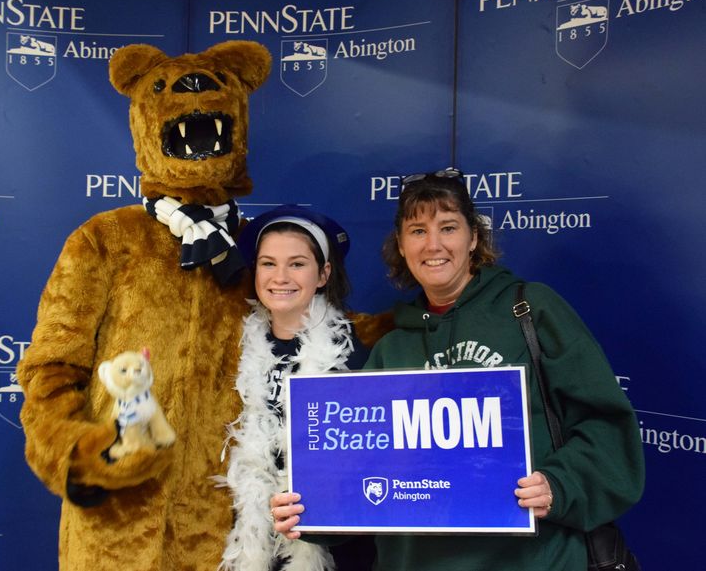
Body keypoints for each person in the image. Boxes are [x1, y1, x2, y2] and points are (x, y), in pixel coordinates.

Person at [271, 169, 645, 570]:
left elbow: (606, 428)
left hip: (531, 559)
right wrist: (310, 510)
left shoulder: (530, 310)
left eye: (448, 227)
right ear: (401, 244)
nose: (433, 245)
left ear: (474, 238)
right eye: (417, 231)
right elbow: (365, 476)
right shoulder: (393, 347)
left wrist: (559, 485)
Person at [219, 204, 375, 571]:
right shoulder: (231, 350)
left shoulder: (353, 355)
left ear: (323, 274)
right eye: (268, 263)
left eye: (297, 263)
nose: (280, 276)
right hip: (250, 538)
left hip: (331, 548)